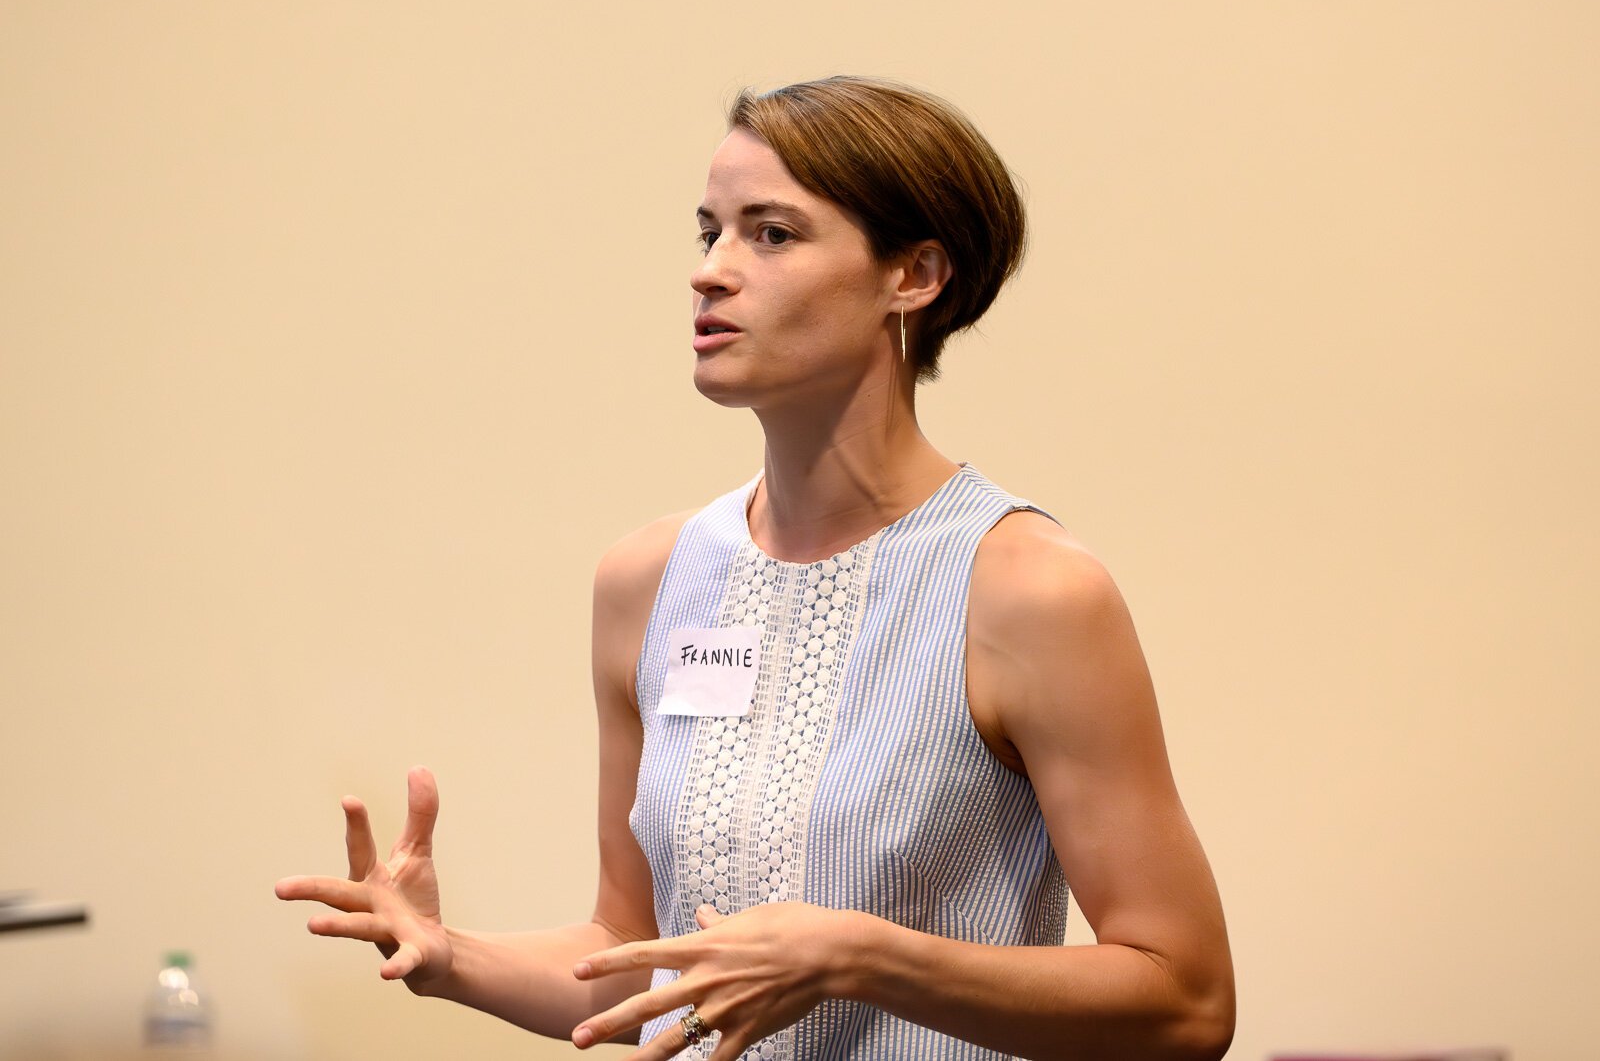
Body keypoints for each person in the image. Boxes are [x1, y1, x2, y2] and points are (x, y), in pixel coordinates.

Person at [276, 76, 1235, 1061]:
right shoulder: (645, 580)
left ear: (914, 274)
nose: (711, 271)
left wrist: (863, 957)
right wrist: (450, 955)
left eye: (770, 234)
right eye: (709, 232)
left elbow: (1186, 999)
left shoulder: (1029, 590)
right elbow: (632, 950)